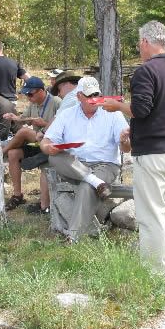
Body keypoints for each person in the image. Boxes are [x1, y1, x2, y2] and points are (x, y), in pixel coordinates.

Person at [103, 20, 165, 276]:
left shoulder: (145, 72)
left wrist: (117, 106)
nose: (138, 48)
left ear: (145, 42)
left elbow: (141, 109)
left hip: (152, 154)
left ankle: (156, 274)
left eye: (138, 43)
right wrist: (159, 130)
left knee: (151, 215)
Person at [41, 76, 130, 237]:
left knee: (86, 187)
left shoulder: (113, 114)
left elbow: (126, 148)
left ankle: (73, 237)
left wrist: (125, 140)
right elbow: (46, 142)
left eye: (96, 94)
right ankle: (96, 182)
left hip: (105, 165)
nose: (93, 99)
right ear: (78, 96)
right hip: (75, 165)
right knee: (53, 157)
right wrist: (48, 147)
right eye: (89, 95)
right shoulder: (67, 114)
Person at [1, 76, 61, 211]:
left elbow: (64, 125)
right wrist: (14, 118)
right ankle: (17, 195)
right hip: (38, 142)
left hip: (51, 141)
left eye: (30, 94)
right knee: (13, 153)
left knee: (23, 132)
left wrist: (44, 124)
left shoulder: (56, 102)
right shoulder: (33, 103)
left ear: (41, 91)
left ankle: (1, 152)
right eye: (26, 94)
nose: (28, 97)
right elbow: (24, 119)